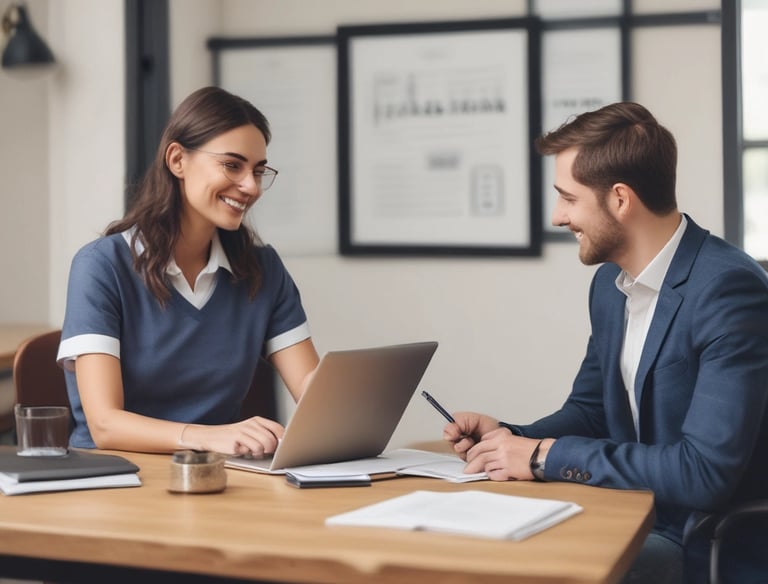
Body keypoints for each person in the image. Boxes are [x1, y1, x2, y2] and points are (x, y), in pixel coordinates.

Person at [442, 102, 768, 583]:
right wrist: (509, 439)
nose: (558, 217)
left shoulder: (727, 290)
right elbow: (592, 413)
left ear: (619, 199)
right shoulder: (611, 286)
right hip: (628, 516)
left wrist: (542, 456)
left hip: (703, 543)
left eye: (568, 198)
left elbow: (704, 472)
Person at [56, 86, 319, 457]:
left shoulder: (263, 269)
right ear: (177, 160)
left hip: (215, 473)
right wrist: (209, 436)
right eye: (232, 165)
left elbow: (312, 391)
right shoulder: (101, 266)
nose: (251, 186)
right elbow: (105, 424)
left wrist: (363, 400)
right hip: (117, 475)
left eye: (258, 171)